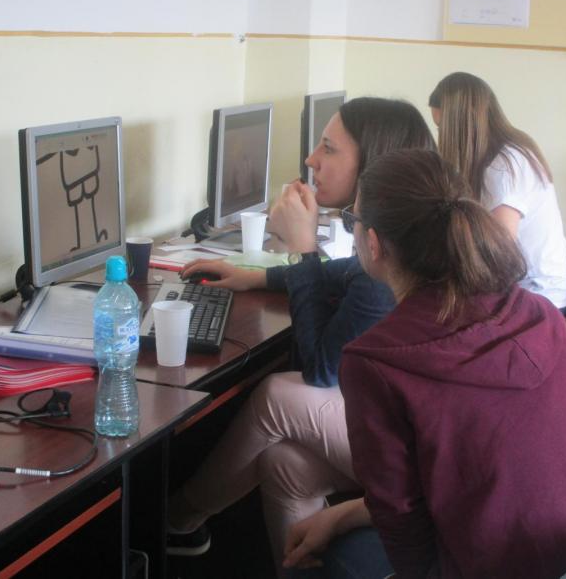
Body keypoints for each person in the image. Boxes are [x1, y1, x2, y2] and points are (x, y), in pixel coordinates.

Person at [283, 149, 566, 579]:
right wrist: (340, 516)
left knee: (308, 567)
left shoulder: (374, 364)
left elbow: (405, 531)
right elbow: (466, 485)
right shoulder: (538, 312)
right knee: (288, 467)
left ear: (372, 243)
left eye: (352, 219)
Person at [166, 98, 437, 566]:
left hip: (420, 459)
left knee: (278, 394)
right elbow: (342, 274)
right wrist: (255, 276)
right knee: (284, 464)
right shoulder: (399, 237)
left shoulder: (387, 266)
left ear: (370, 167)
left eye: (328, 148)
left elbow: (319, 370)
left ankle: (176, 518)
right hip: (408, 429)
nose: (311, 160)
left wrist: (304, 247)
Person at [429, 71, 566, 308]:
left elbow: (499, 256)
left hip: (539, 297)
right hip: (540, 287)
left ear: (460, 126)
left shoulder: (503, 167)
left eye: (441, 128)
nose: (441, 138)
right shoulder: (510, 150)